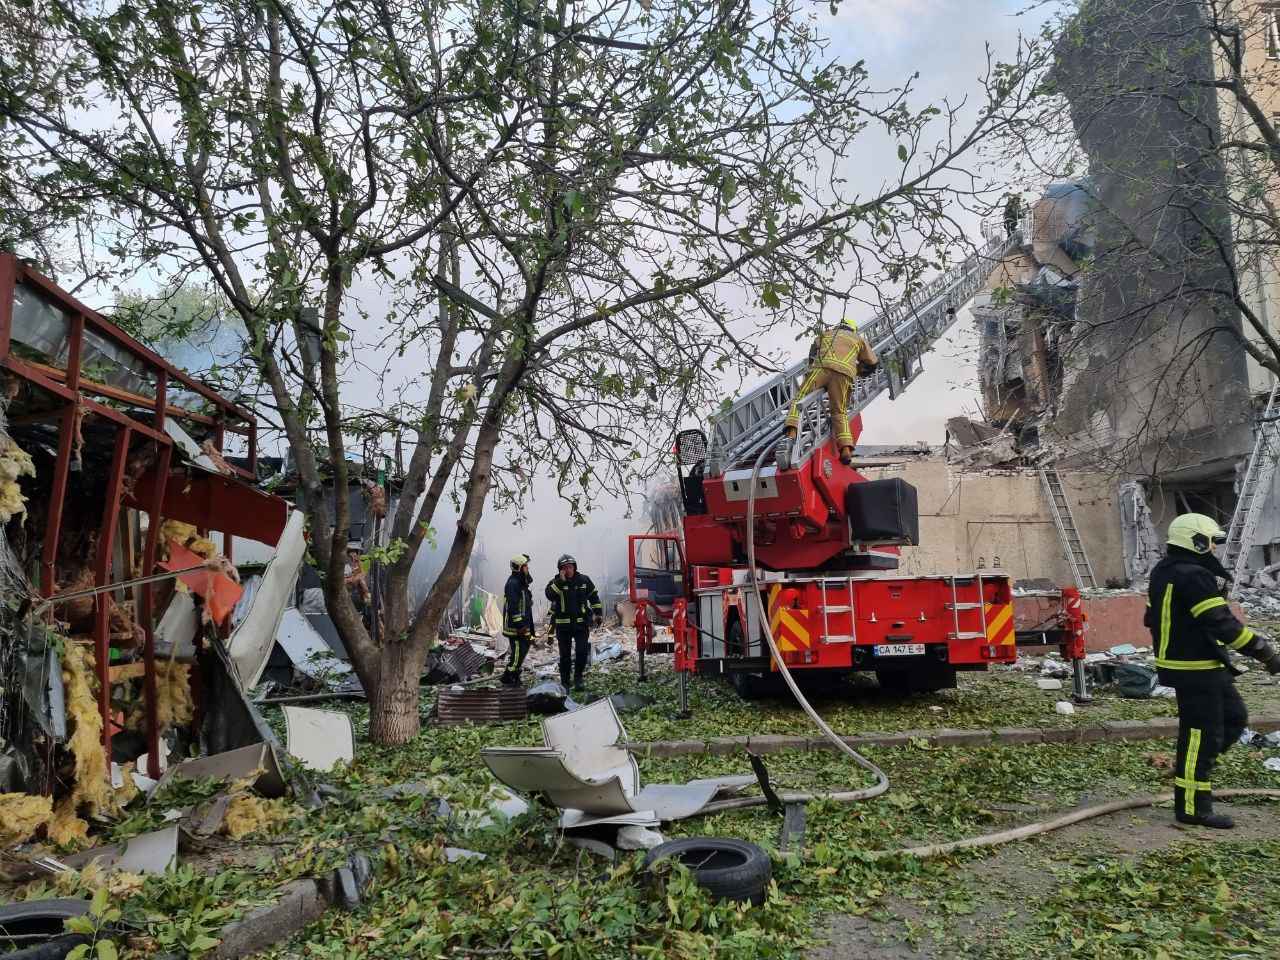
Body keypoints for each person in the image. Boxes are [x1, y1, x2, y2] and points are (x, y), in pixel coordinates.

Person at [1145, 513, 1280, 828]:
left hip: (1202, 663)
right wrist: (1265, 652)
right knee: (1199, 737)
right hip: (1194, 668)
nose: (1214, 549)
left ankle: (1192, 768)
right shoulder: (1193, 575)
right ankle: (1193, 808)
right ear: (1196, 542)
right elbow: (1222, 624)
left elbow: (1150, 617)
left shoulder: (1164, 570)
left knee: (1234, 719)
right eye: (1210, 542)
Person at [777, 317, 878, 469]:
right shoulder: (858, 339)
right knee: (839, 411)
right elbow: (872, 362)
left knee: (800, 399)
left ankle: (791, 433)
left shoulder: (826, 333)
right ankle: (845, 449)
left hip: (821, 369)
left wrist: (814, 371)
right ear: (853, 329)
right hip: (844, 375)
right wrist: (857, 371)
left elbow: (812, 356)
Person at [545, 554, 603, 690]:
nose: (568, 570)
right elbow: (549, 595)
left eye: (570, 567)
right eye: (565, 568)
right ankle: (565, 682)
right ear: (560, 570)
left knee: (581, 652)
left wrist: (598, 613)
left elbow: (594, 597)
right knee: (564, 656)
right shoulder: (555, 583)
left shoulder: (584, 580)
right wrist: (561, 581)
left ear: (574, 567)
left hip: (581, 624)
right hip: (563, 626)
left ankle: (578, 678)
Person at [501, 553, 535, 686]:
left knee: (523, 649)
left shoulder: (521, 583)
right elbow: (513, 607)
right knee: (518, 653)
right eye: (526, 566)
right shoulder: (512, 584)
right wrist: (520, 625)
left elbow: (524, 603)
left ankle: (509, 676)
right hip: (515, 627)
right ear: (520, 567)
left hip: (523, 625)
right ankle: (510, 677)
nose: (528, 568)